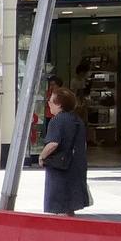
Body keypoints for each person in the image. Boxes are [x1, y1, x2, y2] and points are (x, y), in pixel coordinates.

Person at [39, 87, 91, 216]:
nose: (49, 104)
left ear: (59, 104)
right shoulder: (77, 120)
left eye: (51, 101)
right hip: (77, 166)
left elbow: (53, 143)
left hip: (60, 167)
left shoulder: (57, 120)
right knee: (70, 205)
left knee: (59, 203)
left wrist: (42, 156)